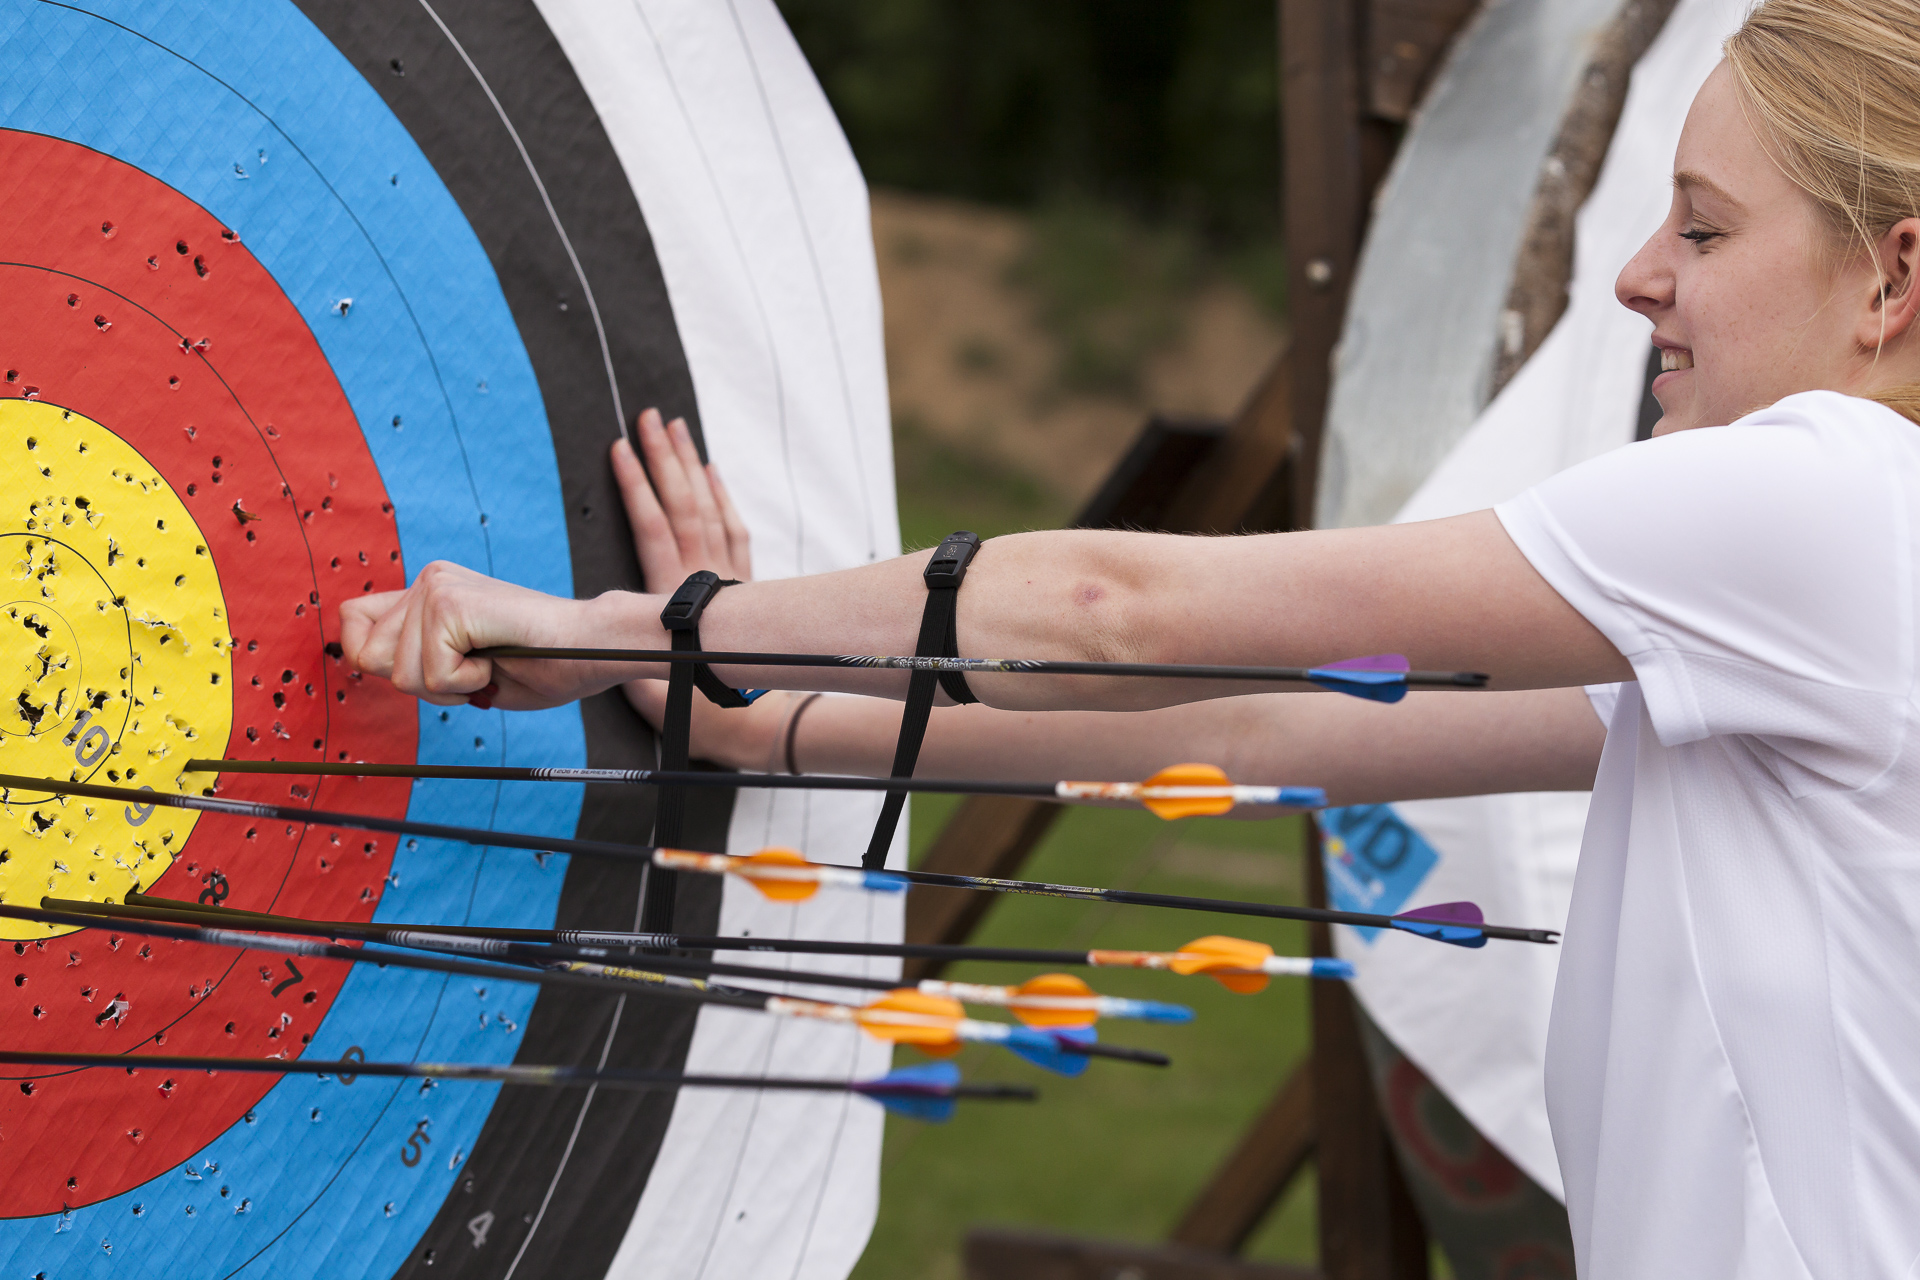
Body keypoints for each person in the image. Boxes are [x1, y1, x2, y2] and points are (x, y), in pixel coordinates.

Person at [342, 1, 1920, 1274]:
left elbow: (1117, 612)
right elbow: (1272, 731)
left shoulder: (1828, 504)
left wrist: (661, 628)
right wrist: (756, 715)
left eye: (1704, 234)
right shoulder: (1810, 600)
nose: (1641, 276)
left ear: (1893, 275)